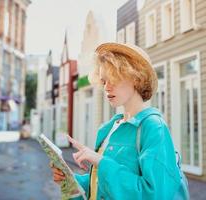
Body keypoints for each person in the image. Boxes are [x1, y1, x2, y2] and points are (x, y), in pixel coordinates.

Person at [51, 42, 189, 200]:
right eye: (104, 81)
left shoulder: (153, 127)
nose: (107, 87)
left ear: (136, 78)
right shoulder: (108, 128)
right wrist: (70, 180)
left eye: (113, 79)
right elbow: (98, 187)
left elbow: (155, 194)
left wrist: (100, 162)